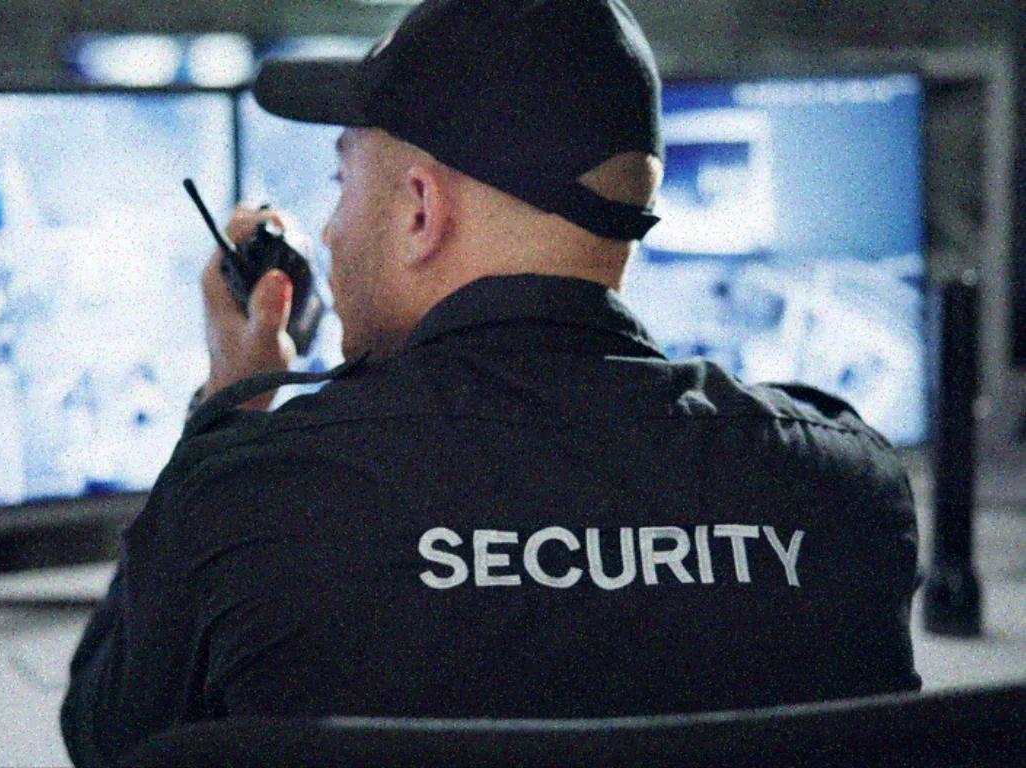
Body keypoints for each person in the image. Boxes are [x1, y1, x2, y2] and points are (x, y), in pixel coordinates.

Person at [61, 0, 922, 764]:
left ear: (421, 211)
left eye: (341, 181)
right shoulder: (844, 491)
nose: (327, 231)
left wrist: (227, 407)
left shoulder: (249, 495)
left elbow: (108, 741)